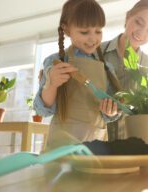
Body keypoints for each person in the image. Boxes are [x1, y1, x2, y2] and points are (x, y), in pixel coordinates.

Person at [34, 0, 120, 150]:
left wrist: (111, 111)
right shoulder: (54, 62)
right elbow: (43, 110)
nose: (93, 39)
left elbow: (112, 112)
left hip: (96, 146)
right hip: (61, 146)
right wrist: (52, 84)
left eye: (98, 31)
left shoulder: (107, 68)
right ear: (66, 30)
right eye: (84, 32)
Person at [101, 0, 148, 140]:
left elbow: (146, 112)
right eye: (139, 22)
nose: (142, 33)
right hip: (94, 143)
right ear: (127, 17)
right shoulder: (96, 52)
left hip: (130, 144)